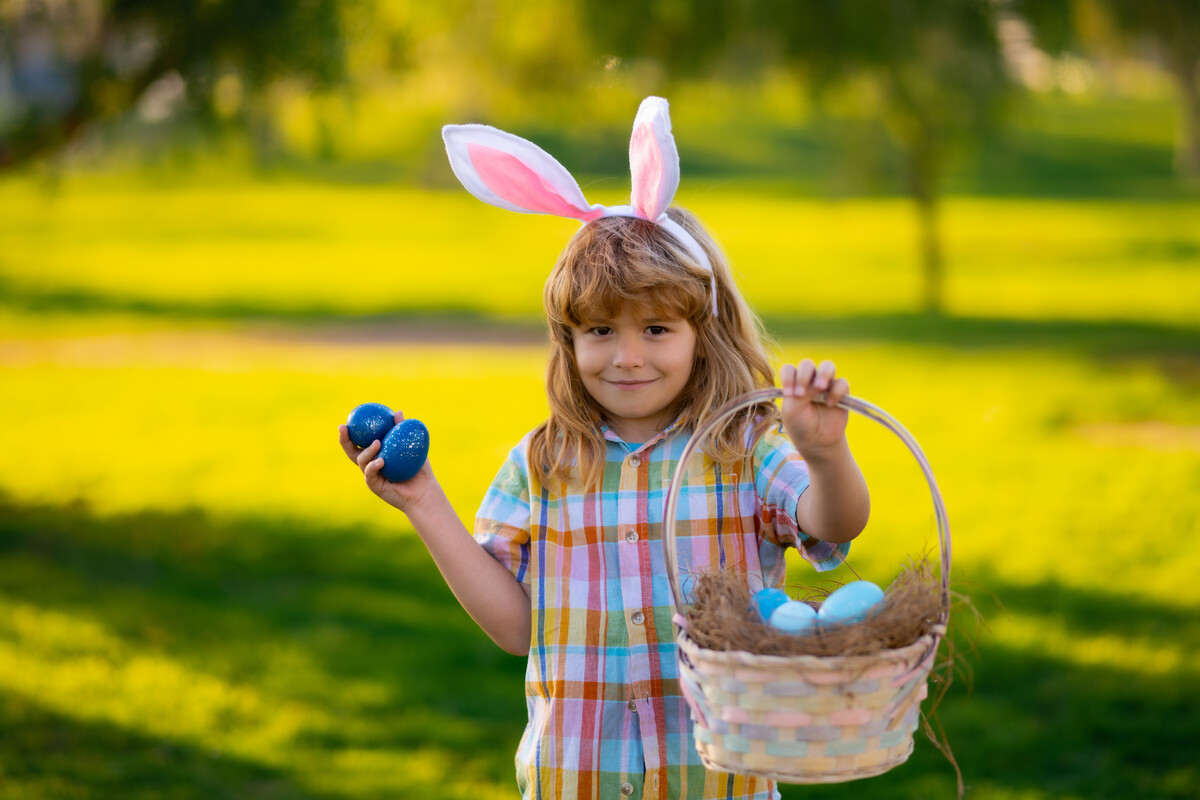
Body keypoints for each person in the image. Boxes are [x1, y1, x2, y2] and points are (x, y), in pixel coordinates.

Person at [339, 97, 870, 800]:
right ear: (569, 340)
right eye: (599, 332)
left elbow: (835, 524)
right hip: (576, 782)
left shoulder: (742, 450)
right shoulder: (543, 465)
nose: (626, 357)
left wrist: (826, 455)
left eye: (655, 330)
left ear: (700, 334)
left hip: (717, 785)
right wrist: (422, 501)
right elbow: (516, 628)